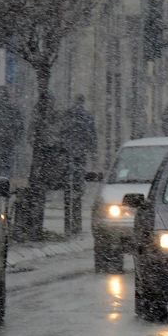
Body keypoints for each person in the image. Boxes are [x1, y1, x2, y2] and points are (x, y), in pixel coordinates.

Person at [59, 95, 97, 234]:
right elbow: (92, 136)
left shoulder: (68, 115)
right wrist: (93, 152)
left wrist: (63, 148)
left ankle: (69, 222)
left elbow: (61, 133)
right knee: (77, 186)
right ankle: (76, 222)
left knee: (69, 186)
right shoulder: (87, 117)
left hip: (68, 153)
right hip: (80, 153)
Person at [0, 87, 25, 178]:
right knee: (7, 166)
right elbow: (20, 127)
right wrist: (16, 139)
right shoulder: (13, 109)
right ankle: (5, 183)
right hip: (8, 144)